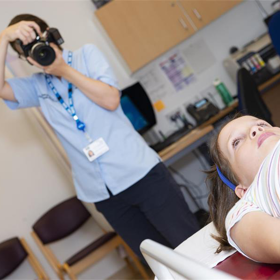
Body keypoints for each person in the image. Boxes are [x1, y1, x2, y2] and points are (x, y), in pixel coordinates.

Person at [0, 14, 200, 260]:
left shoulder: (87, 55)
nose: (35, 51)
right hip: (103, 194)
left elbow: (111, 99)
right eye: (26, 49)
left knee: (191, 247)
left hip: (141, 175)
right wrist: (4, 37)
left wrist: (64, 70)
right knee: (160, 264)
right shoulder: (36, 85)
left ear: (50, 34)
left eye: (37, 41)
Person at [206, 113, 280, 263]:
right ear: (243, 190)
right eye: (236, 142)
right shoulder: (244, 209)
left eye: (262, 124)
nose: (256, 129)